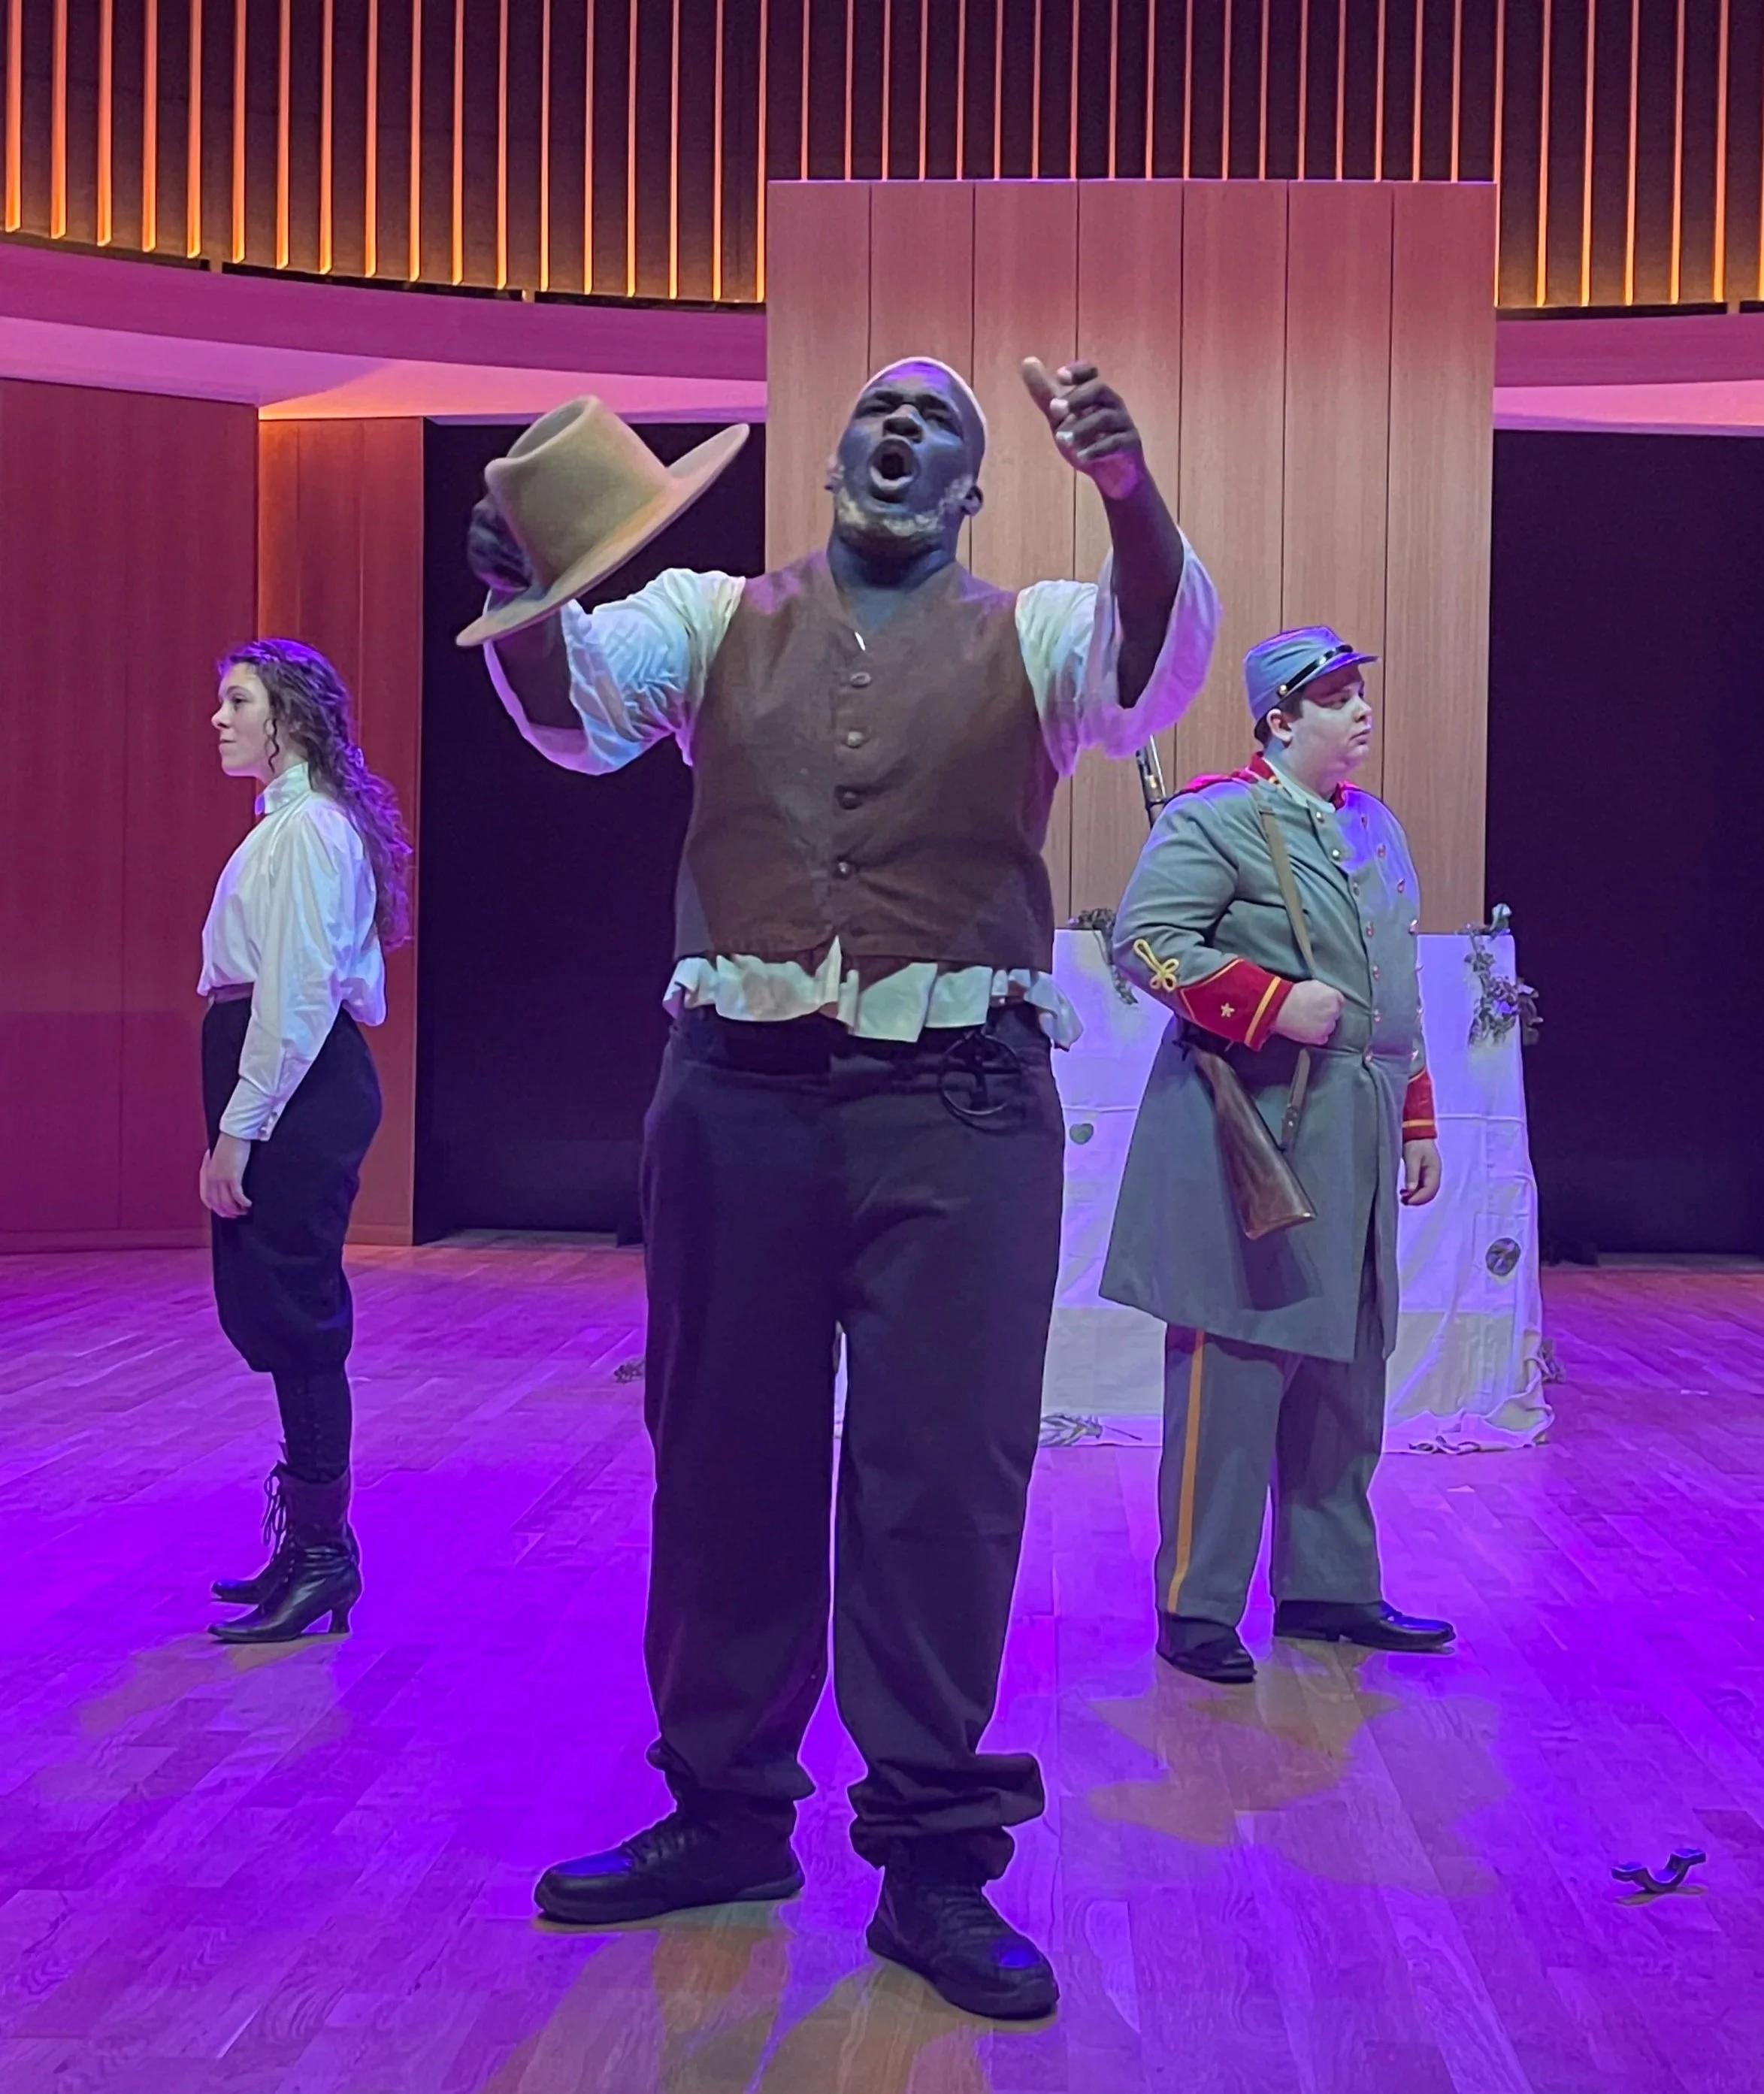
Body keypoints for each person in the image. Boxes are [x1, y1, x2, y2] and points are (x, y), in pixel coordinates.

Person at [464, 362, 1218, 2018]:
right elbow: (574, 712)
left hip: (959, 1102)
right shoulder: (712, 611)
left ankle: (935, 1864)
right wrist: (521, 595)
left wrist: (1128, 491)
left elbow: (1153, 666)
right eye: (879, 410)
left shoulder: (1035, 633)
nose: (900, 432)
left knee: (938, 1476)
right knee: (723, 1456)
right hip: (738, 1096)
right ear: (826, 458)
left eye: (937, 425)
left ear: (970, 490)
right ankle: (728, 1813)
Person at [1102, 626, 1454, 1687]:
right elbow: (1143, 943)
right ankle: (1197, 1603)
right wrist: (1266, 1002)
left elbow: (1395, 989)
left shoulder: (1374, 828)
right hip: (1252, 1131)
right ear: (1277, 719)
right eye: (1335, 695)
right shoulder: (1216, 820)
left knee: (1346, 1366)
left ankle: (1329, 1589)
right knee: (1237, 1364)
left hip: (1355, 1121)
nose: (1359, 712)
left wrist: (1417, 1116)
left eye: (1358, 692)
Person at [198, 641, 410, 1647]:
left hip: (295, 1078)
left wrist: (242, 1128)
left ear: (288, 717)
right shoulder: (290, 829)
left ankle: (325, 1555)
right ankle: (308, 1547)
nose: (219, 718)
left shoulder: (309, 833)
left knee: (300, 1311)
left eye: (237, 700)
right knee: (279, 1311)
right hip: (280, 1068)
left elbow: (297, 992)